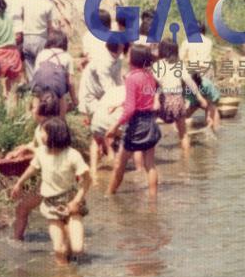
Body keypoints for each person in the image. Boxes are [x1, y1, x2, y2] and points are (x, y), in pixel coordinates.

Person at [9, 117, 92, 263]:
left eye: (43, 132)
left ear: (54, 134)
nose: (40, 135)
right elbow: (33, 168)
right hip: (51, 204)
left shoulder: (72, 155)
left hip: (71, 202)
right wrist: (19, 183)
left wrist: (77, 201)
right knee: (59, 251)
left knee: (78, 249)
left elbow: (87, 180)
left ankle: (76, 276)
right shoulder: (41, 152)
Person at [107, 43, 160, 200]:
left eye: (129, 54)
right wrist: (119, 104)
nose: (126, 56)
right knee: (149, 164)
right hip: (150, 122)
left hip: (136, 125)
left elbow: (130, 109)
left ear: (134, 58)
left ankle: (108, 196)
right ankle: (153, 201)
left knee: (119, 164)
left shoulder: (131, 78)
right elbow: (143, 101)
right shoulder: (149, 76)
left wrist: (114, 126)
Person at [8, 91, 64, 241]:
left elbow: (46, 152)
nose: (31, 110)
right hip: (55, 179)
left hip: (51, 180)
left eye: (33, 107)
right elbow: (35, 145)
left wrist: (20, 182)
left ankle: (16, 241)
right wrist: (22, 149)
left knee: (22, 208)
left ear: (41, 110)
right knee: (59, 214)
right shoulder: (41, 128)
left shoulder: (48, 129)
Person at [151, 38, 207, 150]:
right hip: (177, 100)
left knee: (150, 128)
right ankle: (186, 161)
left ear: (162, 50)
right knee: (183, 134)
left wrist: (155, 100)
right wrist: (200, 98)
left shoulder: (158, 65)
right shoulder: (179, 64)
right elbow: (190, 82)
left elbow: (155, 85)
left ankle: (150, 156)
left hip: (163, 99)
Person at [78, 39, 123, 173]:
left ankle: (106, 155)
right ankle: (105, 156)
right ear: (119, 46)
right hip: (91, 95)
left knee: (105, 124)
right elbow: (108, 87)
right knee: (101, 126)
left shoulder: (117, 60)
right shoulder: (103, 61)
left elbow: (117, 81)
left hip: (103, 94)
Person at [21, 0, 56, 73]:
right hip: (41, 38)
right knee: (43, 67)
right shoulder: (48, 4)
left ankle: (33, 87)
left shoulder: (27, 1)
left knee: (30, 68)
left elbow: (23, 17)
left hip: (27, 37)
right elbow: (50, 27)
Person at [31, 29, 75, 107]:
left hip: (40, 85)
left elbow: (35, 74)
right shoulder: (67, 56)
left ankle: (35, 110)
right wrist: (75, 100)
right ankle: (61, 114)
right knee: (61, 96)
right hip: (56, 86)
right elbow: (70, 82)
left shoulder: (42, 53)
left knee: (37, 95)